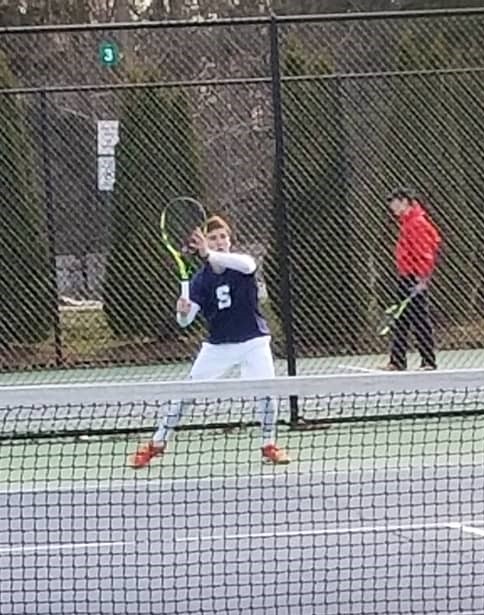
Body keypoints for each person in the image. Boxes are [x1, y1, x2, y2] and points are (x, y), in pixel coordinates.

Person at [130, 215, 290, 468]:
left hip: (253, 342)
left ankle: (269, 444)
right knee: (185, 395)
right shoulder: (200, 280)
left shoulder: (241, 265)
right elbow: (185, 321)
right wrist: (182, 312)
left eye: (223, 237)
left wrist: (208, 254)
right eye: (212, 238)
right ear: (204, 241)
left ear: (229, 241)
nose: (219, 242)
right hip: (217, 347)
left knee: (267, 393)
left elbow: (249, 265)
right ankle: (157, 444)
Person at [384, 187, 442, 371]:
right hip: (406, 277)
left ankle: (428, 361)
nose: (392, 208)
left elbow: (426, 253)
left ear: (404, 202)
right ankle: (397, 361)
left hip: (414, 278)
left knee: (419, 319)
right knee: (401, 319)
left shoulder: (417, 223)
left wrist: (421, 279)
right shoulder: (408, 223)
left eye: (394, 204)